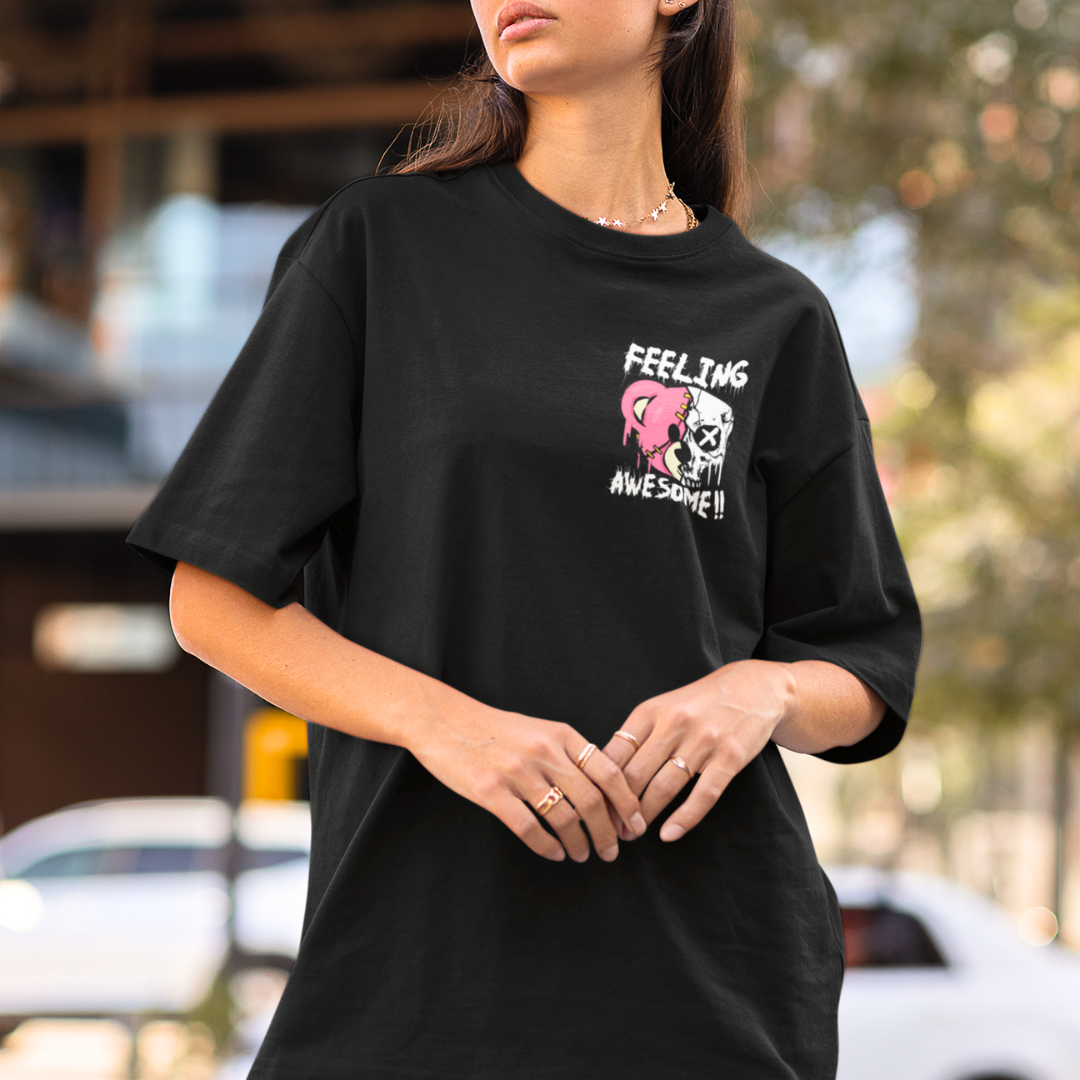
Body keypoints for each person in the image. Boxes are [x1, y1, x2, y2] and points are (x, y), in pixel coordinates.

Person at [128, 1, 921, 1077]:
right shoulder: (380, 248)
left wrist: (761, 692)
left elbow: (865, 664)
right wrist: (449, 726)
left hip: (706, 990)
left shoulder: (775, 317)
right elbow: (212, 599)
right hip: (418, 977)